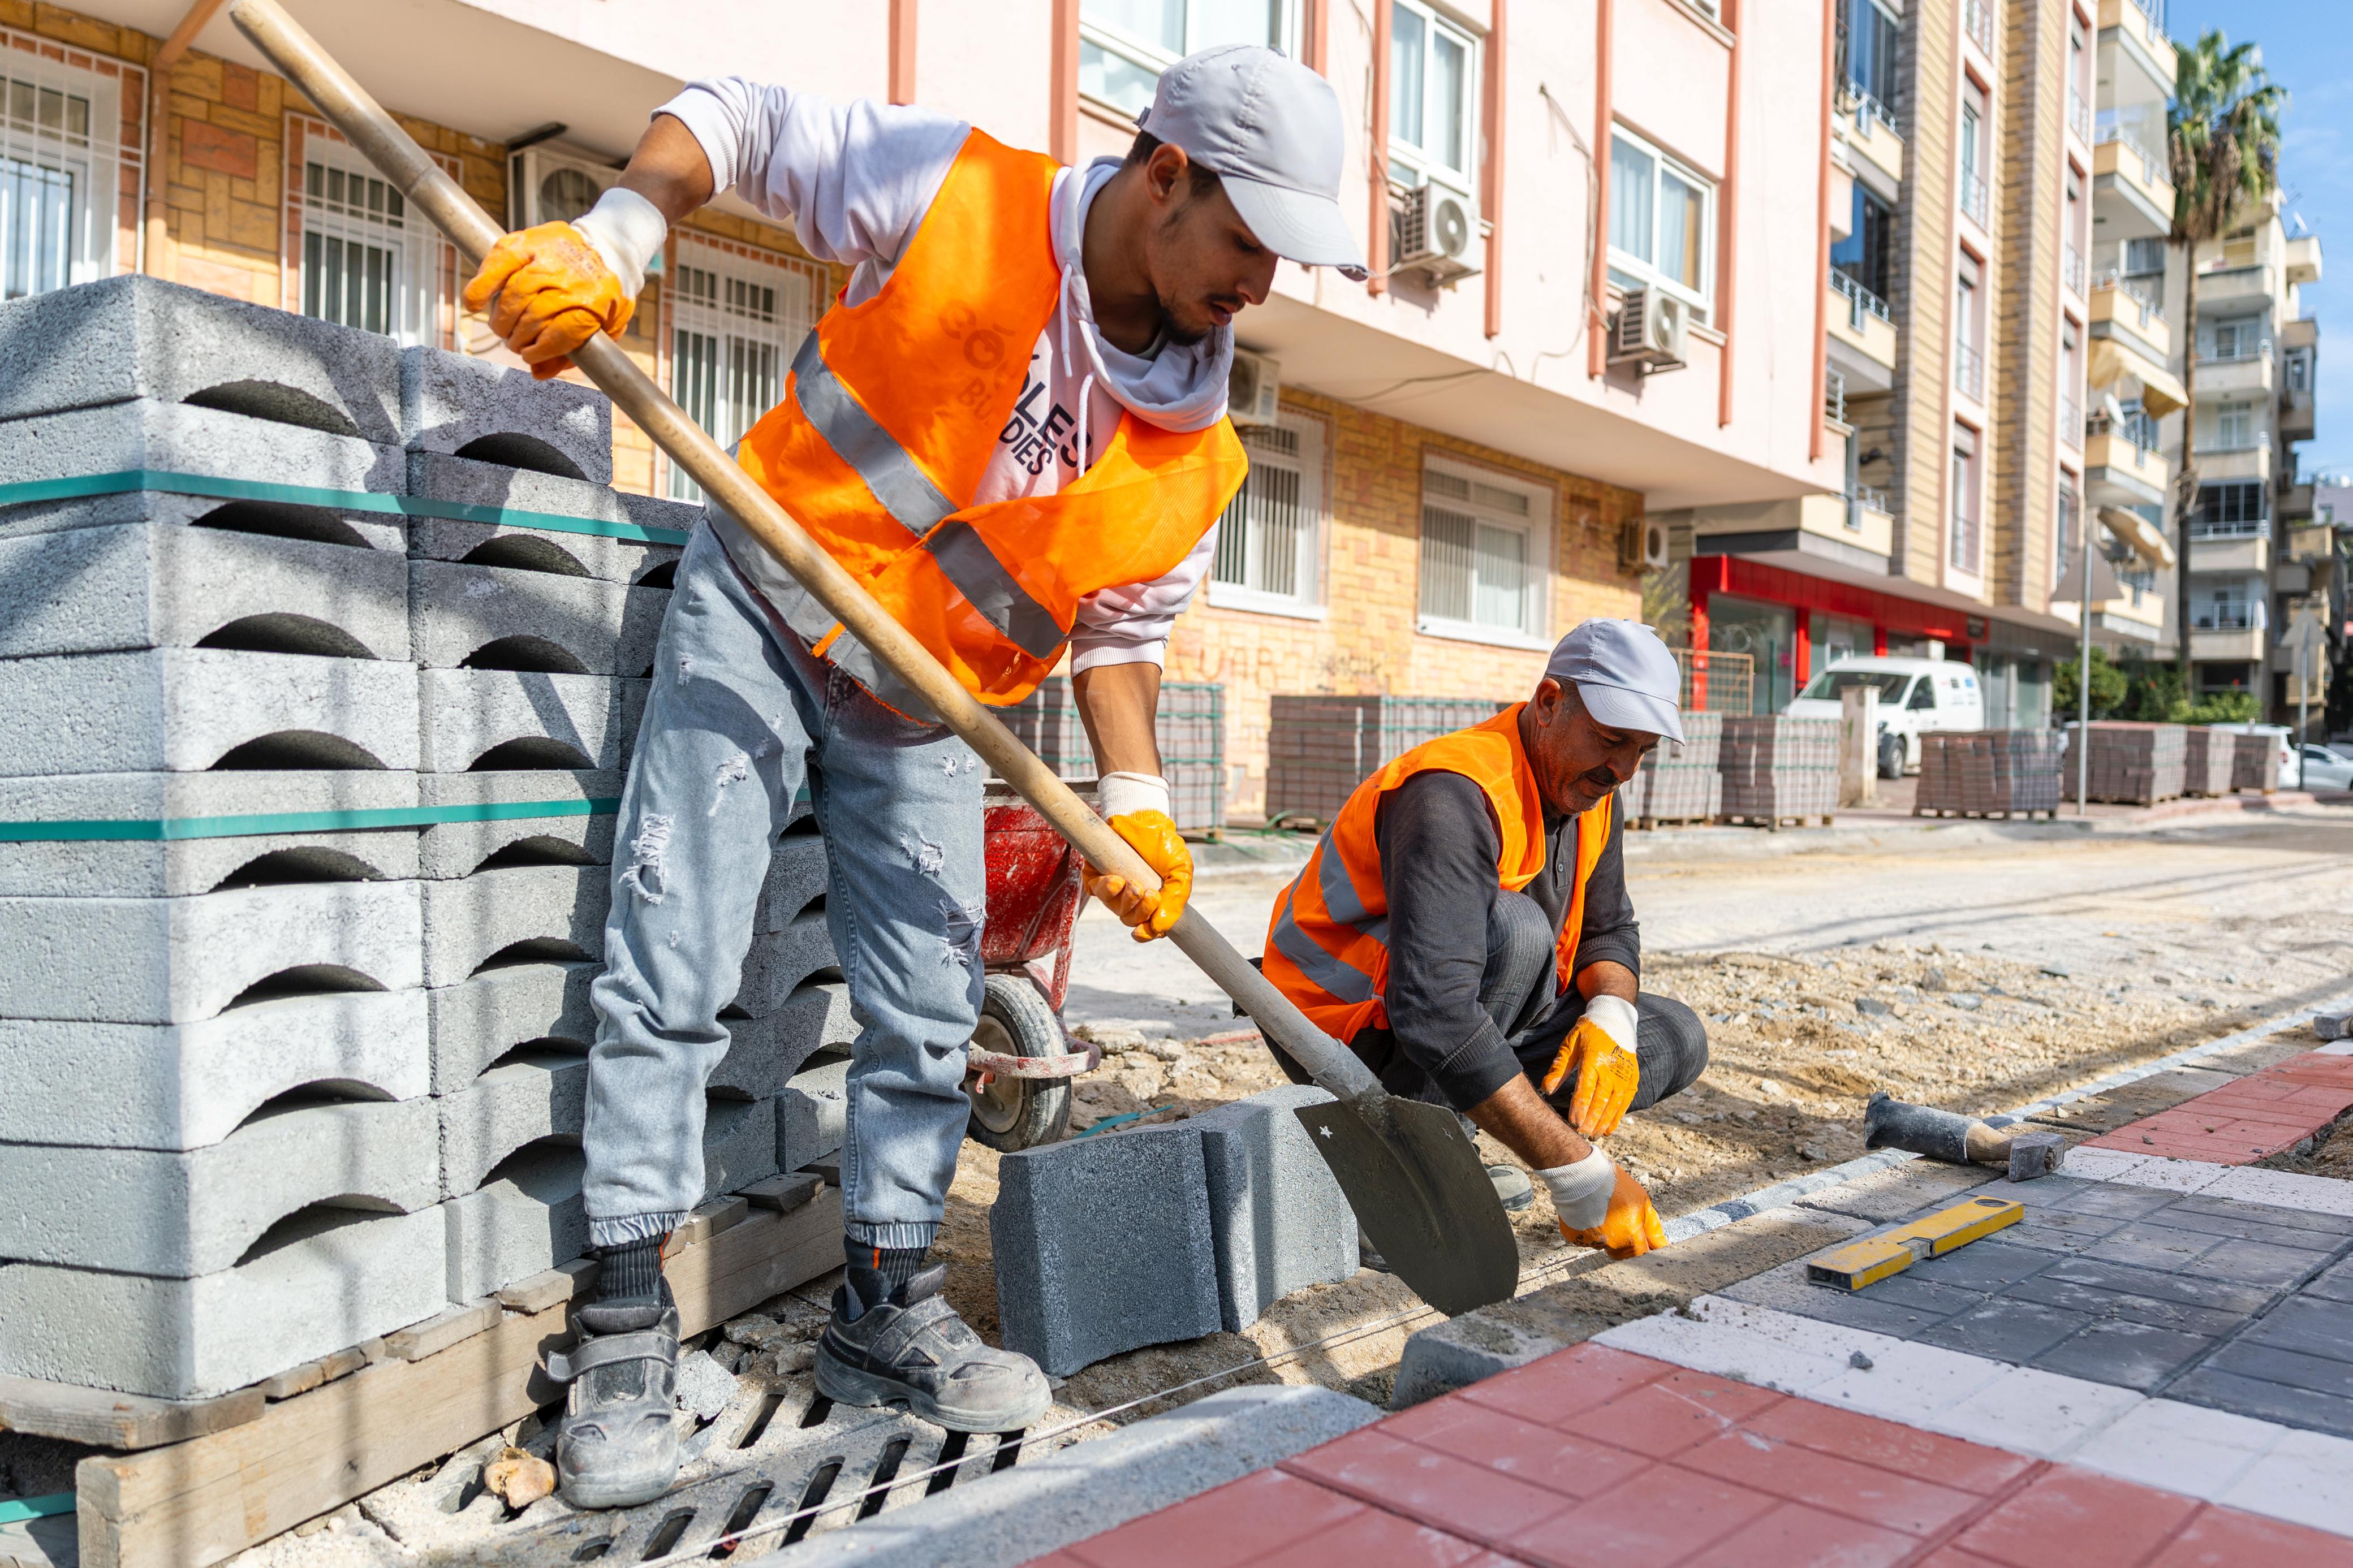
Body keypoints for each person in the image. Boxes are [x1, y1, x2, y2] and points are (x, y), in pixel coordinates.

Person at [464, 46, 1366, 1507]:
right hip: (764, 591)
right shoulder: (969, 198)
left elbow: (1119, 638)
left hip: (929, 702)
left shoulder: (1196, 454)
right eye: (1247, 237)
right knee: (674, 950)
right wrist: (623, 224)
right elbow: (734, 120)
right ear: (1163, 174)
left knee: (934, 1010)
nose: (1259, 280)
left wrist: (1135, 797)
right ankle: (622, 1328)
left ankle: (884, 1307)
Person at [1260, 620, 1711, 1262]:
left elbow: (1609, 931)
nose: (1623, 769)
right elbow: (1434, 1010)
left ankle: (1456, 1131)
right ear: (1549, 702)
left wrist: (1609, 1018)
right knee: (1517, 931)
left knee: (1673, 1035)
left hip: (1467, 1008)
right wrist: (1578, 1174)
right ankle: (1399, 1176)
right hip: (1342, 1026)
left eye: (1643, 749)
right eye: (1612, 740)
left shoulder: (1591, 791)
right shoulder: (1450, 792)